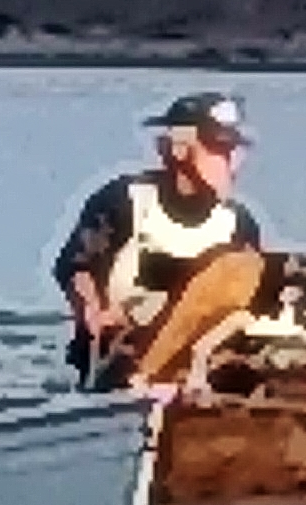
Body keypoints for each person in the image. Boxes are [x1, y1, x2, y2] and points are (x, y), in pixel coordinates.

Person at [52, 93, 264, 385]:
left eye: (234, 151)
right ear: (179, 149)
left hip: (201, 364)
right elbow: (77, 265)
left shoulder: (238, 224)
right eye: (219, 149)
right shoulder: (125, 200)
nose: (232, 163)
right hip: (120, 359)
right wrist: (92, 312)